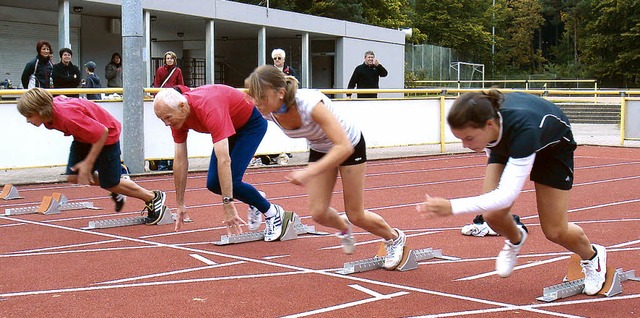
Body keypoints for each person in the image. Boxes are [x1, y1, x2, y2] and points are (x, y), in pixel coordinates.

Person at [416, 89, 607, 295]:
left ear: (489, 124)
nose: (465, 145)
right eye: (460, 139)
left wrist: (452, 207)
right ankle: (516, 238)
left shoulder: (524, 129)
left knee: (555, 231)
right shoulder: (488, 122)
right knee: (491, 215)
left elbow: (506, 195)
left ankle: (592, 256)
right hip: (508, 142)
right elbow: (495, 200)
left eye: (469, 138)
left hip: (552, 149)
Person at [245, 65, 407, 269]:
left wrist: (309, 171)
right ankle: (343, 227)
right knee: (318, 213)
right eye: (254, 97)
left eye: (262, 97)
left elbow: (344, 146)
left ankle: (394, 238)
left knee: (356, 214)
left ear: (280, 93)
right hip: (320, 148)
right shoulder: (268, 111)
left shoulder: (310, 104)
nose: (257, 102)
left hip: (350, 145)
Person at [153, 84, 289, 240]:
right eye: (162, 120)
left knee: (233, 181)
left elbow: (224, 160)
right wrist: (180, 203)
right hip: (230, 123)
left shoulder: (209, 107)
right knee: (213, 183)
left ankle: (273, 212)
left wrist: (228, 204)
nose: (166, 124)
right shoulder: (176, 115)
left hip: (250, 125)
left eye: (168, 118)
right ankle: (255, 197)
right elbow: (180, 160)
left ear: (183, 106)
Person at [16, 88, 168, 224]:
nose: (28, 121)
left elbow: (102, 132)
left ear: (41, 111)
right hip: (84, 136)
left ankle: (153, 197)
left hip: (107, 135)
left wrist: (88, 163)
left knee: (110, 183)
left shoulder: (67, 117)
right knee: (73, 176)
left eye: (29, 116)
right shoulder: (51, 111)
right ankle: (119, 179)